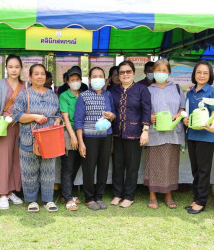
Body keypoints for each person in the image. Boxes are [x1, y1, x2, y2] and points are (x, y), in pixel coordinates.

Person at [13, 64, 61, 212]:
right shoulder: (24, 94)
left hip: (49, 140)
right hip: (29, 139)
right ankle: (31, 201)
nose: (40, 77)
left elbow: (58, 112)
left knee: (48, 171)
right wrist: (34, 116)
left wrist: (58, 119)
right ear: (30, 77)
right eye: (36, 74)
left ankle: (48, 200)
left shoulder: (52, 94)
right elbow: (16, 116)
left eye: (42, 74)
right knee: (29, 171)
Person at [145, 58, 186, 209]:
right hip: (155, 133)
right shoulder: (148, 90)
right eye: (158, 70)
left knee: (170, 164)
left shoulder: (176, 88)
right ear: (153, 72)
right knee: (153, 164)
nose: (161, 73)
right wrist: (149, 117)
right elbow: (143, 111)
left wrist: (179, 114)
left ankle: (168, 195)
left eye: (164, 70)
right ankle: (152, 195)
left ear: (169, 72)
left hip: (173, 132)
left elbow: (183, 107)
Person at [109, 60, 151, 208]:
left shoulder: (142, 90)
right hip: (116, 134)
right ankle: (117, 194)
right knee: (118, 165)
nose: (125, 74)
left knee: (132, 166)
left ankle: (129, 196)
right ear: (118, 75)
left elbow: (147, 111)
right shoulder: (113, 91)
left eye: (128, 71)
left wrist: (145, 131)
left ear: (133, 73)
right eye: (122, 72)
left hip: (135, 134)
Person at [74, 67, 116, 211]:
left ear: (104, 79)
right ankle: (89, 198)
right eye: (94, 76)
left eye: (100, 76)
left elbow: (114, 114)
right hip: (89, 137)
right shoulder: (83, 96)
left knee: (103, 167)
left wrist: (112, 116)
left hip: (106, 135)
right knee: (89, 168)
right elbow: (78, 121)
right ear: (90, 80)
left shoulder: (108, 94)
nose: (98, 79)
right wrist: (81, 142)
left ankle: (99, 196)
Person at [183, 61, 214, 214]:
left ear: (210, 75)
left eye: (205, 73)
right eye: (199, 72)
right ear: (194, 74)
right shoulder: (190, 92)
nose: (202, 75)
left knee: (203, 170)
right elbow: (188, 113)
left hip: (206, 137)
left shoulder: (213, 92)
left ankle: (201, 201)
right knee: (195, 170)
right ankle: (196, 198)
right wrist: (186, 120)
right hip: (192, 135)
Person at [0, 55, 24, 210]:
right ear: (6, 68)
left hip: (21, 126)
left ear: (21, 68)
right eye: (11, 67)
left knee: (17, 160)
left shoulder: (25, 86)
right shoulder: (0, 85)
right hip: (4, 126)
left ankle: (11, 191)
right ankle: (2, 194)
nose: (14, 70)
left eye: (16, 67)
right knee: (4, 160)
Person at [59, 66, 83, 211]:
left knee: (76, 164)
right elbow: (65, 118)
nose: (75, 82)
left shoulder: (82, 95)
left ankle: (65, 193)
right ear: (68, 82)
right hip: (68, 134)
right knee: (67, 166)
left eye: (77, 79)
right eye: (72, 80)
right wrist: (73, 137)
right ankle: (68, 198)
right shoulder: (64, 96)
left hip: (81, 133)